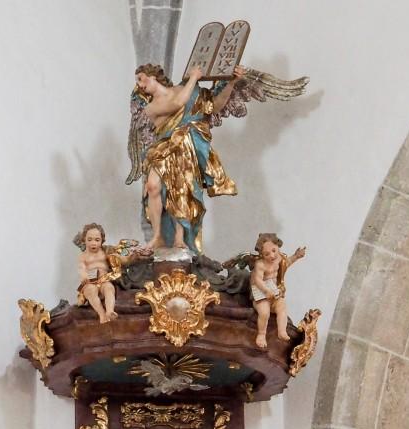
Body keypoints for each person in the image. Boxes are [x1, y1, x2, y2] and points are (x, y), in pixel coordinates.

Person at [133, 63, 243, 252]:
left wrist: (231, 83)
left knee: (181, 189)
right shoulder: (150, 107)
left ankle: (179, 237)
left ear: (153, 76)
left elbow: (214, 106)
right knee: (152, 186)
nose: (139, 85)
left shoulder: (185, 89)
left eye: (141, 79)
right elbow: (177, 104)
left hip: (185, 147)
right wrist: (193, 78)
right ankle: (157, 236)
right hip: (163, 148)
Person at [75, 223, 150, 323]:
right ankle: (102, 314)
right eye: (90, 240)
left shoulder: (105, 251)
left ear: (102, 240)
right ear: (84, 240)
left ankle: (110, 311)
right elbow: (81, 268)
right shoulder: (83, 256)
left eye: (97, 240)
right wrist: (84, 275)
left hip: (104, 279)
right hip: (90, 282)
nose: (93, 243)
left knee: (109, 288)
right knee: (90, 291)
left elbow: (120, 259)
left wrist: (132, 257)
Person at [250, 233, 306, 349]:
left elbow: (286, 264)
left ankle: (282, 331)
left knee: (282, 306)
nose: (272, 255)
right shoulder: (260, 264)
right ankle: (261, 334)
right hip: (260, 292)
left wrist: (296, 256)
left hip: (273, 289)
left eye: (274, 250)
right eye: (267, 254)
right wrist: (266, 291)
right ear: (261, 254)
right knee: (264, 312)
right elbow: (257, 280)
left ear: (277, 246)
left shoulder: (279, 258)